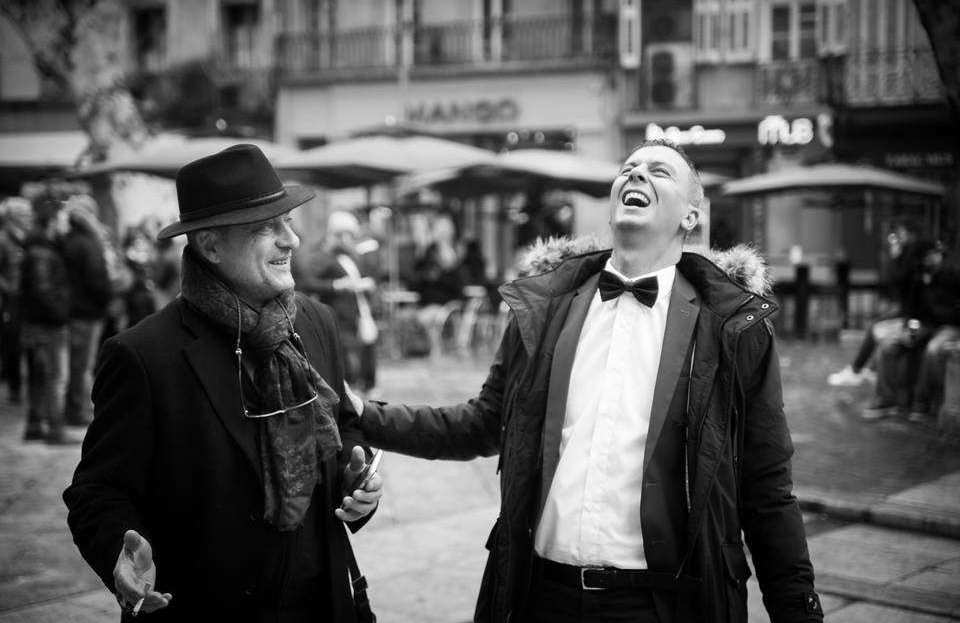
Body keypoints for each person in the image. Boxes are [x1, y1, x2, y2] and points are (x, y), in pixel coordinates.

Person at [351, 139, 823, 622]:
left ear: (691, 216)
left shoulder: (732, 327)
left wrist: (798, 611)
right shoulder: (547, 309)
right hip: (539, 598)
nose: (637, 174)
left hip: (667, 606)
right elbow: (482, 422)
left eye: (659, 172)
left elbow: (766, 488)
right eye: (629, 168)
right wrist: (365, 415)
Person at [63, 144, 383, 622]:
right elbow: (97, 491)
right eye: (265, 227)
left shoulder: (317, 323)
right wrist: (119, 559)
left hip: (323, 600)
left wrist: (356, 488)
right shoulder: (144, 355)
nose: (290, 240)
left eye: (288, 221)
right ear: (210, 246)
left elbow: (343, 430)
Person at [863, 241, 960, 421]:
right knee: (887, 346)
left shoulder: (952, 275)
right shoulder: (918, 278)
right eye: (927, 255)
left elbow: (953, 310)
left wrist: (938, 310)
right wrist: (909, 328)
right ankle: (886, 399)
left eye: (935, 253)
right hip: (924, 325)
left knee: (932, 350)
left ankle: (921, 403)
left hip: (948, 326)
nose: (932, 258)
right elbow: (909, 308)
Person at [827, 222, 922, 386]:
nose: (898, 237)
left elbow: (900, 279)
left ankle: (857, 371)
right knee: (876, 329)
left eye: (901, 232)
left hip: (912, 313)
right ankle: (867, 370)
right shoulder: (909, 254)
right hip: (907, 309)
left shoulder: (913, 255)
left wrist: (896, 256)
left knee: (875, 329)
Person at [298, 211, 381, 396]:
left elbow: (371, 273)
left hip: (360, 314)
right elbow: (307, 282)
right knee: (347, 362)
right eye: (348, 234)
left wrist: (367, 284)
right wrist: (337, 286)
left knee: (366, 353)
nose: (352, 238)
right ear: (338, 234)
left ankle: (366, 391)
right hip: (339, 318)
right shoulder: (322, 256)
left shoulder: (351, 256)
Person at [19, 191, 75, 444]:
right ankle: (55, 427)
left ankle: (35, 423)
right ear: (50, 221)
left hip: (40, 322)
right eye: (60, 217)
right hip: (48, 324)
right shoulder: (42, 251)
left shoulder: (40, 248)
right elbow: (42, 291)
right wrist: (61, 315)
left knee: (41, 375)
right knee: (54, 376)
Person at [62, 194, 113, 427]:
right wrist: (107, 298)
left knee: (77, 363)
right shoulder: (87, 240)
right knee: (82, 364)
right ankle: (78, 410)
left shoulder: (69, 238)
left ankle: (76, 407)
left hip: (76, 308)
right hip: (87, 310)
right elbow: (95, 278)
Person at [0, 196, 33, 404]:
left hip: (28, 298)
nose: (28, 217)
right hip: (12, 300)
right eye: (24, 214)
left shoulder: (27, 237)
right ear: (13, 216)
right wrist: (9, 288)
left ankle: (24, 386)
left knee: (28, 342)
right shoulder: (3, 239)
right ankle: (15, 387)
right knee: (13, 342)